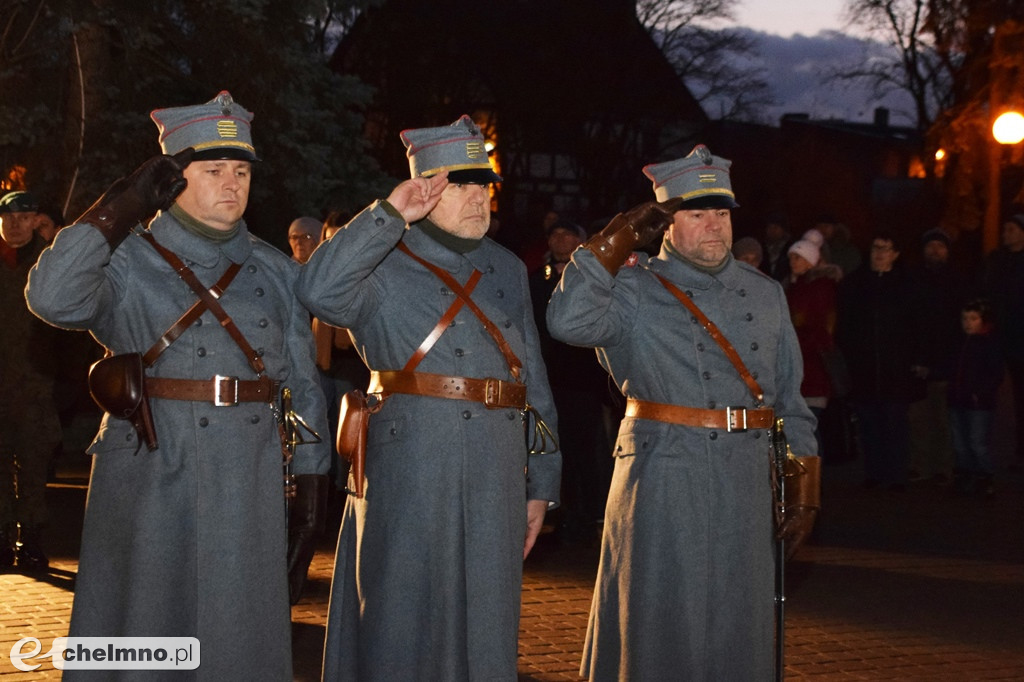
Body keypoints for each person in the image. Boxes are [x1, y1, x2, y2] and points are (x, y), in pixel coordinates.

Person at [26, 91, 330, 680]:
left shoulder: (275, 269)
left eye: (241, 171)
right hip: (151, 467)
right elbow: (50, 297)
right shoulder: (126, 259)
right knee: (145, 629)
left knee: (237, 636)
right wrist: (122, 205)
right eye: (213, 170)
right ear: (171, 181)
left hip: (250, 471)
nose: (231, 183)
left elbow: (300, 381)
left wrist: (313, 480)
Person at [296, 115, 561, 681]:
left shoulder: (507, 267)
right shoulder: (381, 257)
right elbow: (317, 290)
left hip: (494, 467)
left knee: (487, 619)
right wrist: (389, 215)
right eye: (459, 185)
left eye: (482, 185)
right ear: (425, 188)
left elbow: (530, 377)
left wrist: (542, 482)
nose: (477, 199)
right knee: (401, 614)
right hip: (411, 462)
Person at [546, 144, 819, 680]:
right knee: (658, 621)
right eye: (696, 213)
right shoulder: (632, 287)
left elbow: (790, 399)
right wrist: (614, 238)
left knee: (739, 627)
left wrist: (804, 483)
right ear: (666, 223)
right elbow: (567, 321)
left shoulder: (765, 294)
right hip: (664, 477)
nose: (714, 226)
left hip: (746, 480)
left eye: (722, 212)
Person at [530, 217, 613, 542]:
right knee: (551, 445)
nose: (559, 239)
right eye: (554, 234)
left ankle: (592, 512)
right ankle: (560, 512)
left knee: (588, 448)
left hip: (583, 379)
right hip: (548, 378)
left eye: (568, 232)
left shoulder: (594, 278)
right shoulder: (538, 278)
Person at [0, 190, 61, 570]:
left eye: (24, 218)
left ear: (37, 221)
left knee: (35, 465)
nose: (15, 224)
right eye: (8, 218)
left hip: (37, 386)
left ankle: (32, 539)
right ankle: (3, 538)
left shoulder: (47, 264)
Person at [836, 232, 924, 490]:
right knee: (869, 423)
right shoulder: (855, 285)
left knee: (895, 422)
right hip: (864, 368)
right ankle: (874, 473)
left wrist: (917, 358)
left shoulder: (907, 285)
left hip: (896, 369)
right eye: (876, 247)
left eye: (885, 248)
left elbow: (917, 326)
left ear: (896, 254)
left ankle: (896, 475)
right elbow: (845, 327)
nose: (879, 253)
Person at [908, 228, 964, 484]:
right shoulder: (912, 279)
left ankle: (944, 467)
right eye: (931, 246)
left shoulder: (957, 280)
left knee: (943, 419)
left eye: (940, 246)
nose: (935, 250)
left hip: (946, 360)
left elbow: (958, 328)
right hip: (918, 361)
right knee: (918, 418)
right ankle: (920, 466)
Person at [785, 238, 839, 456]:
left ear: (810, 261)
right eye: (791, 257)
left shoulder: (819, 289)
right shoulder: (793, 287)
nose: (793, 262)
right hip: (798, 370)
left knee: (808, 430)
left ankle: (812, 483)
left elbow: (819, 331)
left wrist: (794, 348)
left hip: (812, 370)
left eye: (798, 257)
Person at [979, 211, 1024, 469]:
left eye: (1012, 229)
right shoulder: (997, 260)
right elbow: (987, 290)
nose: (1007, 234)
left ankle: (1020, 450)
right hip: (998, 335)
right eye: (1005, 229)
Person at [947, 299, 1005, 496]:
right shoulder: (959, 342)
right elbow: (952, 369)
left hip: (979, 403)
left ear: (982, 320)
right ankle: (965, 475)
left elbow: (996, 374)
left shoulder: (988, 343)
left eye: (973, 318)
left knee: (976, 442)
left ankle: (985, 476)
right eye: (964, 318)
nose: (968, 323)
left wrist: (980, 392)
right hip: (958, 400)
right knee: (960, 442)